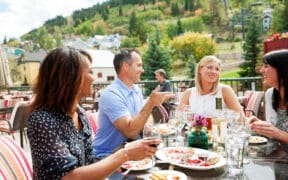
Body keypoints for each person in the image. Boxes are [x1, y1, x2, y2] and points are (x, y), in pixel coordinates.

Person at [27, 47, 161, 179]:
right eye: (90, 72)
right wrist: (124, 155)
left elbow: (89, 162)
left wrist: (118, 163)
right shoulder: (42, 120)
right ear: (70, 78)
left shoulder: (80, 114)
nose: (94, 78)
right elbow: (67, 177)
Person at [93, 48, 174, 158]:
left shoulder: (136, 90)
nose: (143, 70)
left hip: (130, 151)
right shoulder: (111, 94)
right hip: (107, 156)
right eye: (139, 65)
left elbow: (142, 116)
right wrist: (151, 103)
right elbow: (130, 132)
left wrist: (149, 127)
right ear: (126, 66)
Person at [176, 55, 243, 117]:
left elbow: (240, 117)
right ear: (200, 69)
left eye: (217, 69)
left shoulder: (224, 90)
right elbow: (178, 118)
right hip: (195, 130)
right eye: (210, 67)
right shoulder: (189, 93)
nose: (214, 72)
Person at [249, 49, 288, 152]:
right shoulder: (270, 94)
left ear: (282, 69)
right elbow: (274, 131)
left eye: (266, 66)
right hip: (278, 158)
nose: (261, 70)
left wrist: (277, 133)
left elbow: (277, 133)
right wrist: (261, 125)